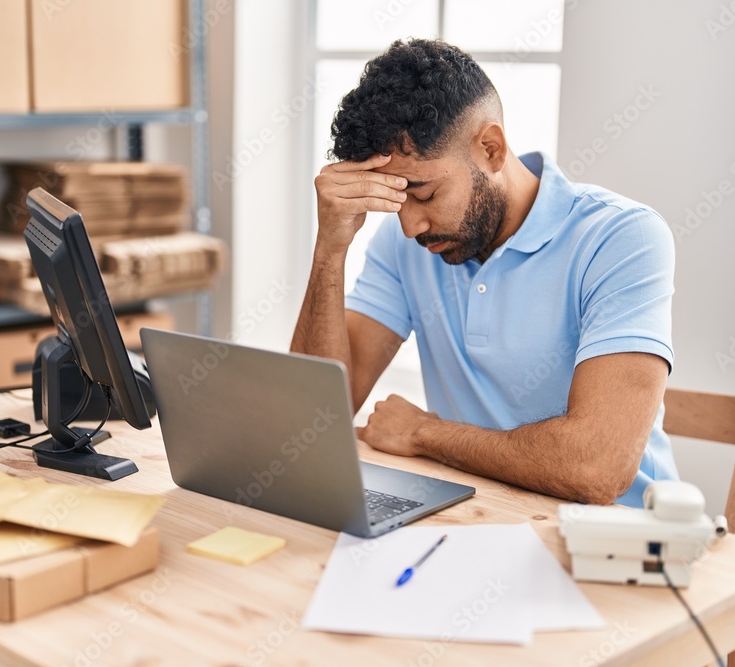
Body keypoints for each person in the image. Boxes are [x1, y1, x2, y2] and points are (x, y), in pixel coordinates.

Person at [291, 39, 678, 507]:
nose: (410, 225)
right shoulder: (406, 241)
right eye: (394, 201)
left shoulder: (621, 238)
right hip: (477, 520)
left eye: (425, 194)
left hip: (617, 544)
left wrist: (424, 433)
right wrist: (329, 250)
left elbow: (594, 469)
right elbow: (315, 421)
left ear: (491, 149)